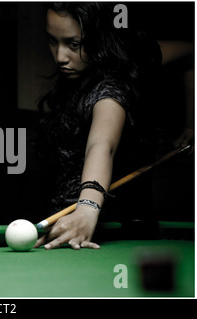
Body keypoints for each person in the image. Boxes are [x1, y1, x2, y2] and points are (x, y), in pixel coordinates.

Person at [33, 2, 193, 250]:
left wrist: (87, 208)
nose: (60, 56)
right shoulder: (79, 75)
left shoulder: (112, 90)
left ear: (101, 35)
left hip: (102, 233)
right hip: (64, 225)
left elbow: (101, 145)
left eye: (74, 44)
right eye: (53, 40)